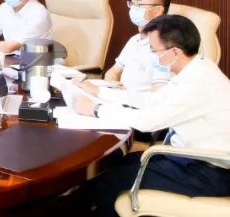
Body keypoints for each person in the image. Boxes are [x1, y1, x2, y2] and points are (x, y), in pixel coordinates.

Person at [58, 15, 230, 215]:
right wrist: (100, 92)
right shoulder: (196, 68)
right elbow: (152, 101)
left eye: (155, 51)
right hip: (187, 159)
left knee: (110, 180)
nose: (153, 56)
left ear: (174, 52)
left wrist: (96, 110)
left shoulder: (197, 83)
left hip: (209, 173)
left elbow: (148, 122)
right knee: (111, 165)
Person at [89, 0, 172, 96]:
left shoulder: (164, 47)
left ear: (157, 11)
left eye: (139, 4)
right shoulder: (134, 40)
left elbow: (159, 93)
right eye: (132, 3)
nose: (133, 9)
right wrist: (112, 84)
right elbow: (113, 71)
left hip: (136, 104)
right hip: (118, 99)